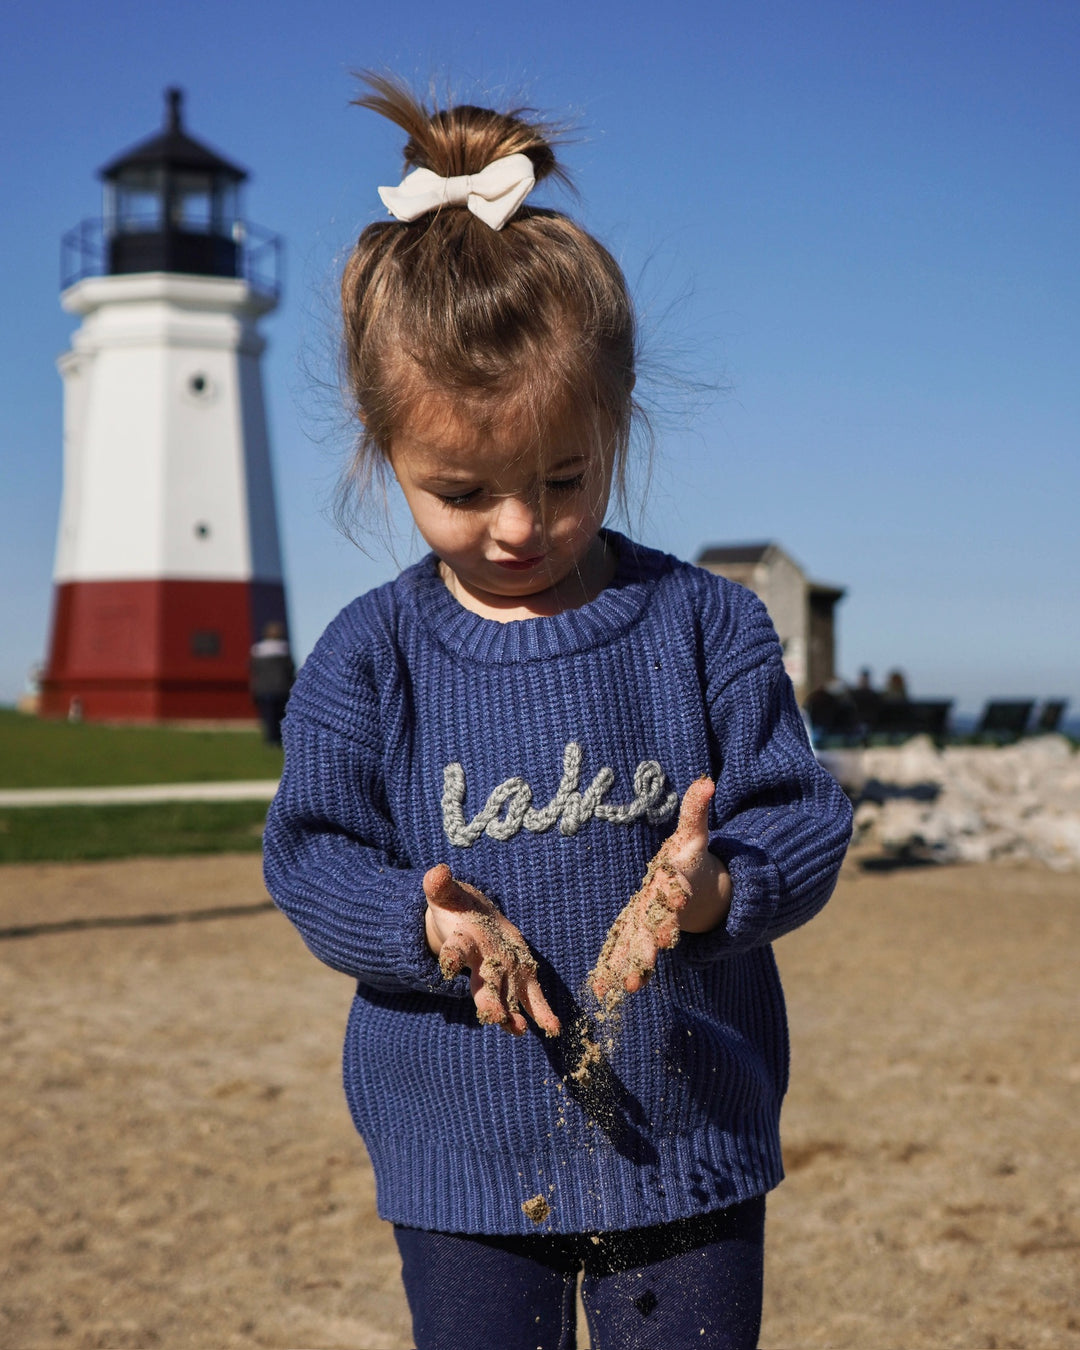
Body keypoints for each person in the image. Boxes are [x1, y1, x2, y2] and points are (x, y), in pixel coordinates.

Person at [263, 73, 852, 1350]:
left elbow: (802, 818)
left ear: (618, 420)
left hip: (687, 1143)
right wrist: (417, 922)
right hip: (459, 1157)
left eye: (564, 477)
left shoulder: (706, 625)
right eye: (463, 490)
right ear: (380, 449)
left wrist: (715, 894)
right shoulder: (371, 657)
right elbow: (307, 851)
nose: (520, 524)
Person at [248, 620, 294, 745]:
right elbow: (290, 670)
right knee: (280, 716)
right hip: (281, 688)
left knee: (268, 716)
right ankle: (279, 740)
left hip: (263, 688)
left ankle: (270, 740)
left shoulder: (257, 650)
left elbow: (253, 670)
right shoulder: (284, 649)